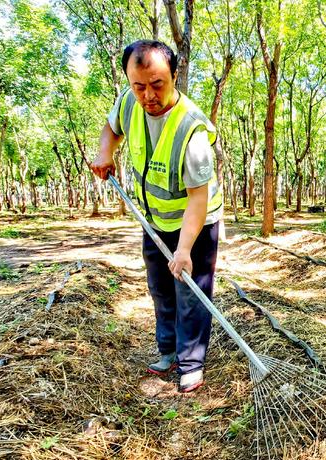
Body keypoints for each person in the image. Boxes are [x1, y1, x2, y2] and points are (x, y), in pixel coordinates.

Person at [90, 40, 223, 393]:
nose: (148, 94)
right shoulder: (129, 101)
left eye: (157, 84)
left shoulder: (191, 132)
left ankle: (192, 363)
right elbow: (111, 129)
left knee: (191, 291)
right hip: (153, 220)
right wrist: (105, 154)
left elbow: (198, 199)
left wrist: (183, 250)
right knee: (161, 289)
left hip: (195, 224)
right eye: (139, 86)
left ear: (174, 76)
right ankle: (168, 352)